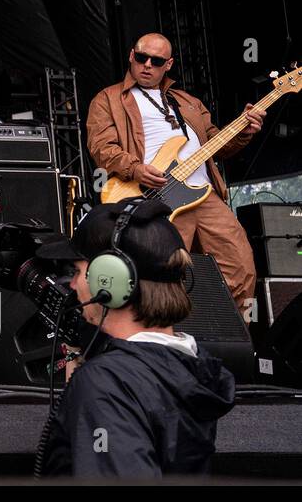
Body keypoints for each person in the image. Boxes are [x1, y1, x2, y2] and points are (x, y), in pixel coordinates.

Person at [36, 200, 236, 477]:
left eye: (78, 272)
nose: (72, 285)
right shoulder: (192, 367)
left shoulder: (107, 383)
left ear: (109, 280)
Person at [85, 32, 264, 311]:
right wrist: (135, 169)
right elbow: (101, 147)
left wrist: (244, 131)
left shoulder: (188, 102)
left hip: (202, 194)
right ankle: (167, 342)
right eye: (141, 57)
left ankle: (235, 344)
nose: (147, 65)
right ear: (132, 56)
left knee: (240, 264)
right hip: (155, 196)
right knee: (163, 274)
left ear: (168, 65)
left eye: (156, 61)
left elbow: (219, 144)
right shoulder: (108, 99)